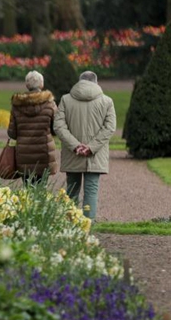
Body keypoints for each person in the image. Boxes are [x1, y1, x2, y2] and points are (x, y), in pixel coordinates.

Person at [54, 71, 117, 223]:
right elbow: (110, 127)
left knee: (72, 190)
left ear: (80, 81)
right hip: (95, 155)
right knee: (91, 190)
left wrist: (75, 146)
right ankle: (89, 225)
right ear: (96, 82)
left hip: (72, 153)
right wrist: (91, 147)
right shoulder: (107, 101)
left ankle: (69, 224)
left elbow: (58, 126)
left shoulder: (65, 99)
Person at [7, 71, 58, 186]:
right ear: (42, 84)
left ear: (27, 85)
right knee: (41, 188)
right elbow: (56, 129)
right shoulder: (50, 104)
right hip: (44, 153)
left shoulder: (17, 105)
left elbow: (12, 133)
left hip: (24, 155)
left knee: (28, 189)